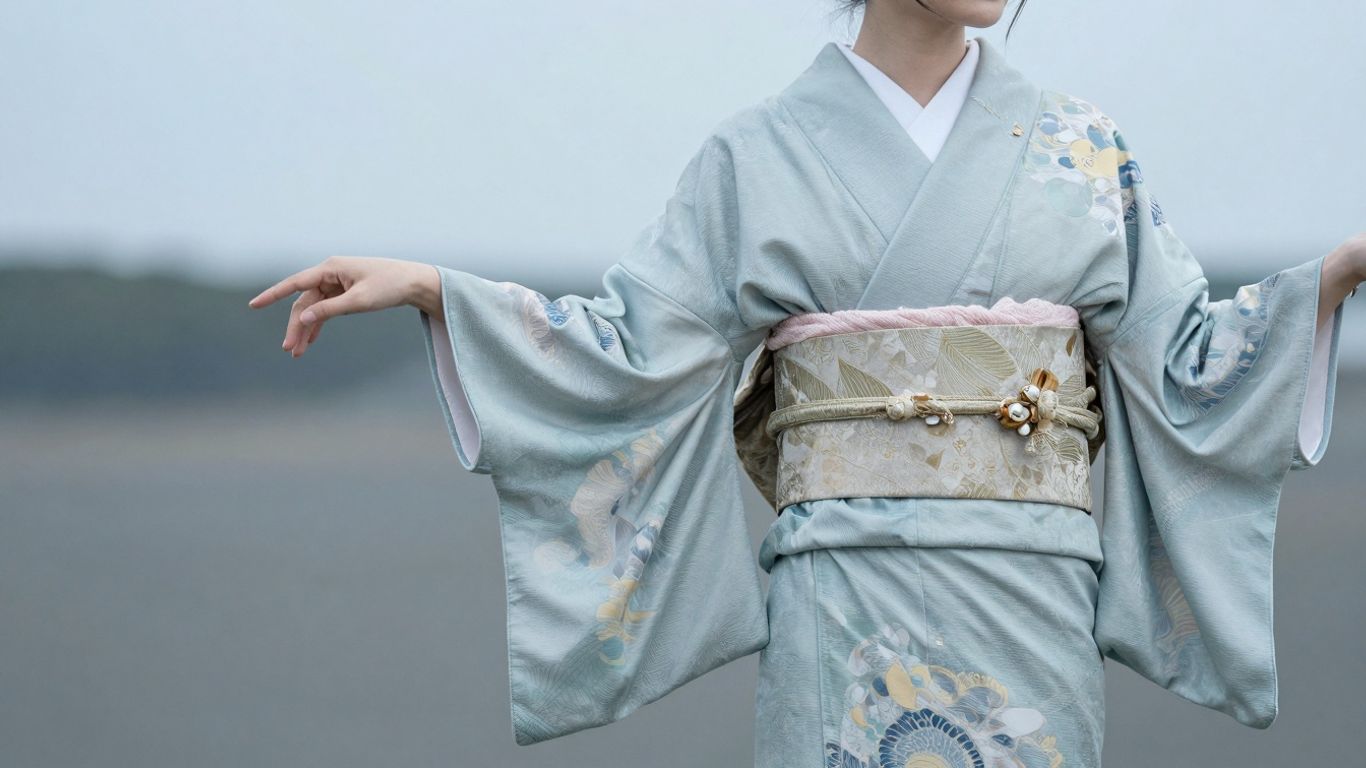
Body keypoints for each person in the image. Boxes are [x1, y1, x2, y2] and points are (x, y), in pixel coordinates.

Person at [248, 1, 1364, 765]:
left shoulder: (1085, 152)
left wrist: (1338, 273)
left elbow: (1189, 367)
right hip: (846, 606)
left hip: (1034, 602)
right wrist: (438, 290)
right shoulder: (758, 157)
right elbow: (631, 348)